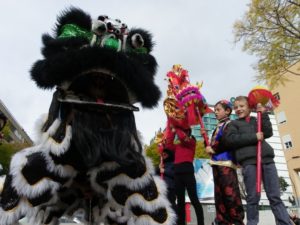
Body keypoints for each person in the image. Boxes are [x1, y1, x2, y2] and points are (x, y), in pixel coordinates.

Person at [224, 96, 292, 225]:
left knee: (274, 196)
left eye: (242, 106)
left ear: (249, 107)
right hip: (249, 162)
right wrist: (254, 137)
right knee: (253, 197)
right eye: (236, 107)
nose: (238, 109)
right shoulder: (233, 124)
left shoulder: (257, 119)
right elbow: (231, 140)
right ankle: (252, 222)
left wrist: (264, 113)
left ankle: (284, 222)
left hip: (267, 160)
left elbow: (267, 132)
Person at [205, 100, 244, 225]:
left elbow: (228, 142)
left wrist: (214, 148)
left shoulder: (229, 124)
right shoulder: (217, 126)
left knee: (230, 194)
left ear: (227, 111)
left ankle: (237, 220)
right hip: (216, 163)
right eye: (215, 110)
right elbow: (212, 146)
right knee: (219, 195)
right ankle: (222, 221)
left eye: (218, 110)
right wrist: (206, 143)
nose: (215, 112)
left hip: (226, 163)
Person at [165, 126, 204, 225]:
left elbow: (183, 138)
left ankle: (201, 223)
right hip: (177, 174)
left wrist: (177, 127)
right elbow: (168, 145)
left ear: (189, 133)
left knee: (194, 199)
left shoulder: (191, 142)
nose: (183, 133)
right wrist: (172, 132)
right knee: (180, 202)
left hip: (188, 173)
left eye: (185, 131)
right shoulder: (177, 146)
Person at [158, 147, 177, 213]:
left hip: (170, 188)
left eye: (165, 154)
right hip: (161, 188)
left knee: (171, 205)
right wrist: (158, 169)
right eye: (162, 155)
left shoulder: (174, 164)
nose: (163, 156)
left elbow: (175, 175)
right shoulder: (161, 164)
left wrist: (164, 171)